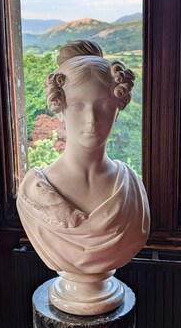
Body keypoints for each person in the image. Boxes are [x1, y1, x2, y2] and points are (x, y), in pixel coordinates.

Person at [17, 40, 150, 275]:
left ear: (118, 108)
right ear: (60, 109)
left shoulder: (132, 190)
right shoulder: (34, 193)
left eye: (104, 105)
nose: (91, 119)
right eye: (78, 105)